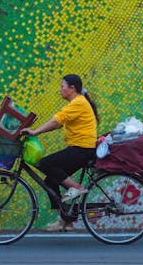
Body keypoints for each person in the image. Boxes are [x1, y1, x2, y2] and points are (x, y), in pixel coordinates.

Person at [19, 74, 99, 232]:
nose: (60, 90)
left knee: (46, 163)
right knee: (50, 182)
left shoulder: (78, 103)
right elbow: (57, 124)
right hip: (79, 149)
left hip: (82, 149)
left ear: (72, 88)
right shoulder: (77, 103)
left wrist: (35, 132)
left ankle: (76, 187)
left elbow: (57, 120)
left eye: (62, 86)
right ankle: (66, 221)